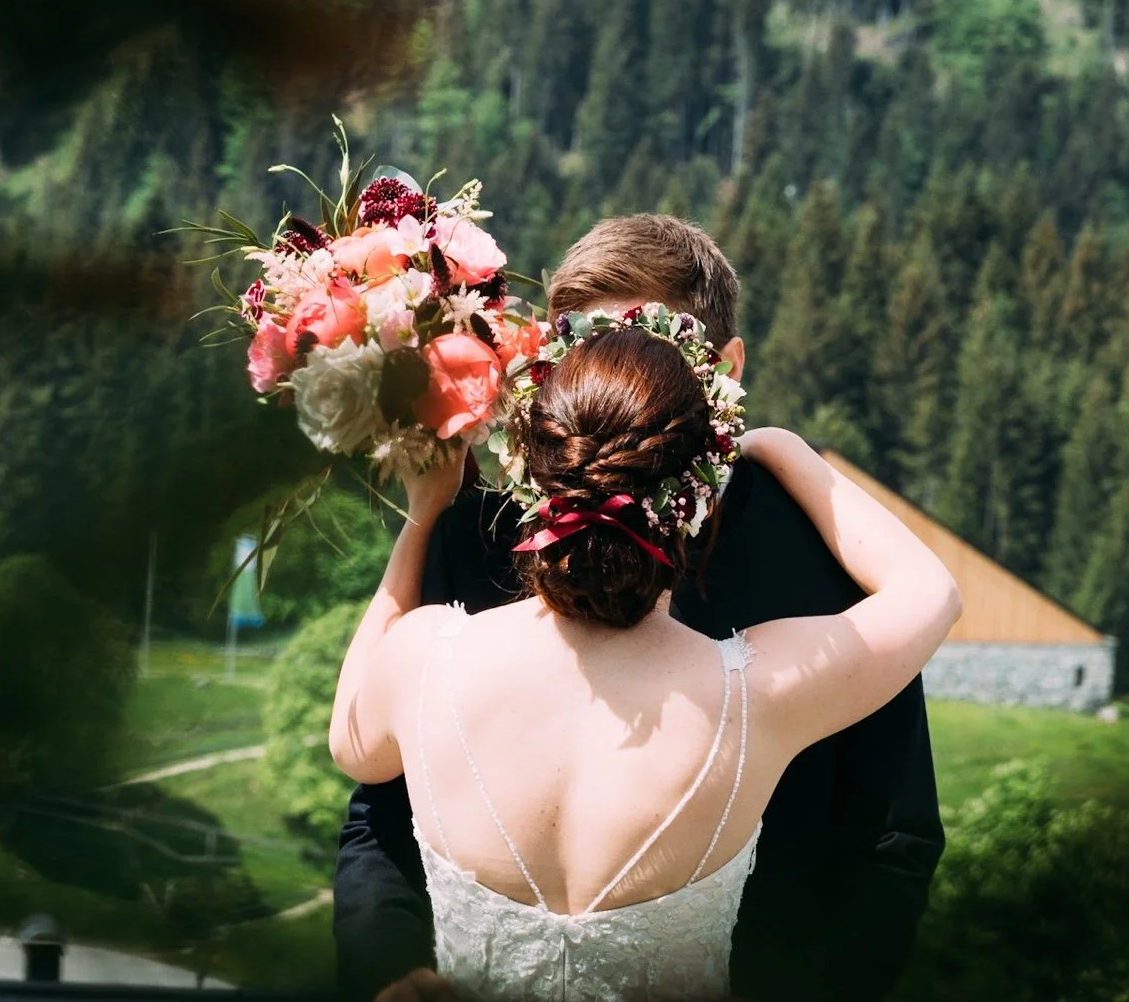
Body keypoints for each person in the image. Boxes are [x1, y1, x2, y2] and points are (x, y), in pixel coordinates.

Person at [331, 216, 955, 1000]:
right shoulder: (476, 533)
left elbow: (889, 835)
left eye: (645, 347)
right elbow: (379, 817)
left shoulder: (821, 554)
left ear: (724, 367)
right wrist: (385, 970)